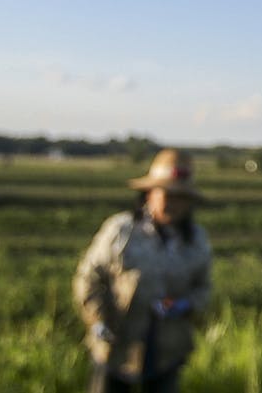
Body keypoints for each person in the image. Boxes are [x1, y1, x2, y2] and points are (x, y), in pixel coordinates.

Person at [73, 149, 213, 393]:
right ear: (148, 193)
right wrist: (97, 320)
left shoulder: (196, 240)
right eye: (164, 192)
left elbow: (203, 288)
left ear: (189, 201)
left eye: (179, 196)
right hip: (116, 342)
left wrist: (185, 305)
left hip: (167, 348)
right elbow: (89, 278)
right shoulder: (120, 230)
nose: (171, 201)